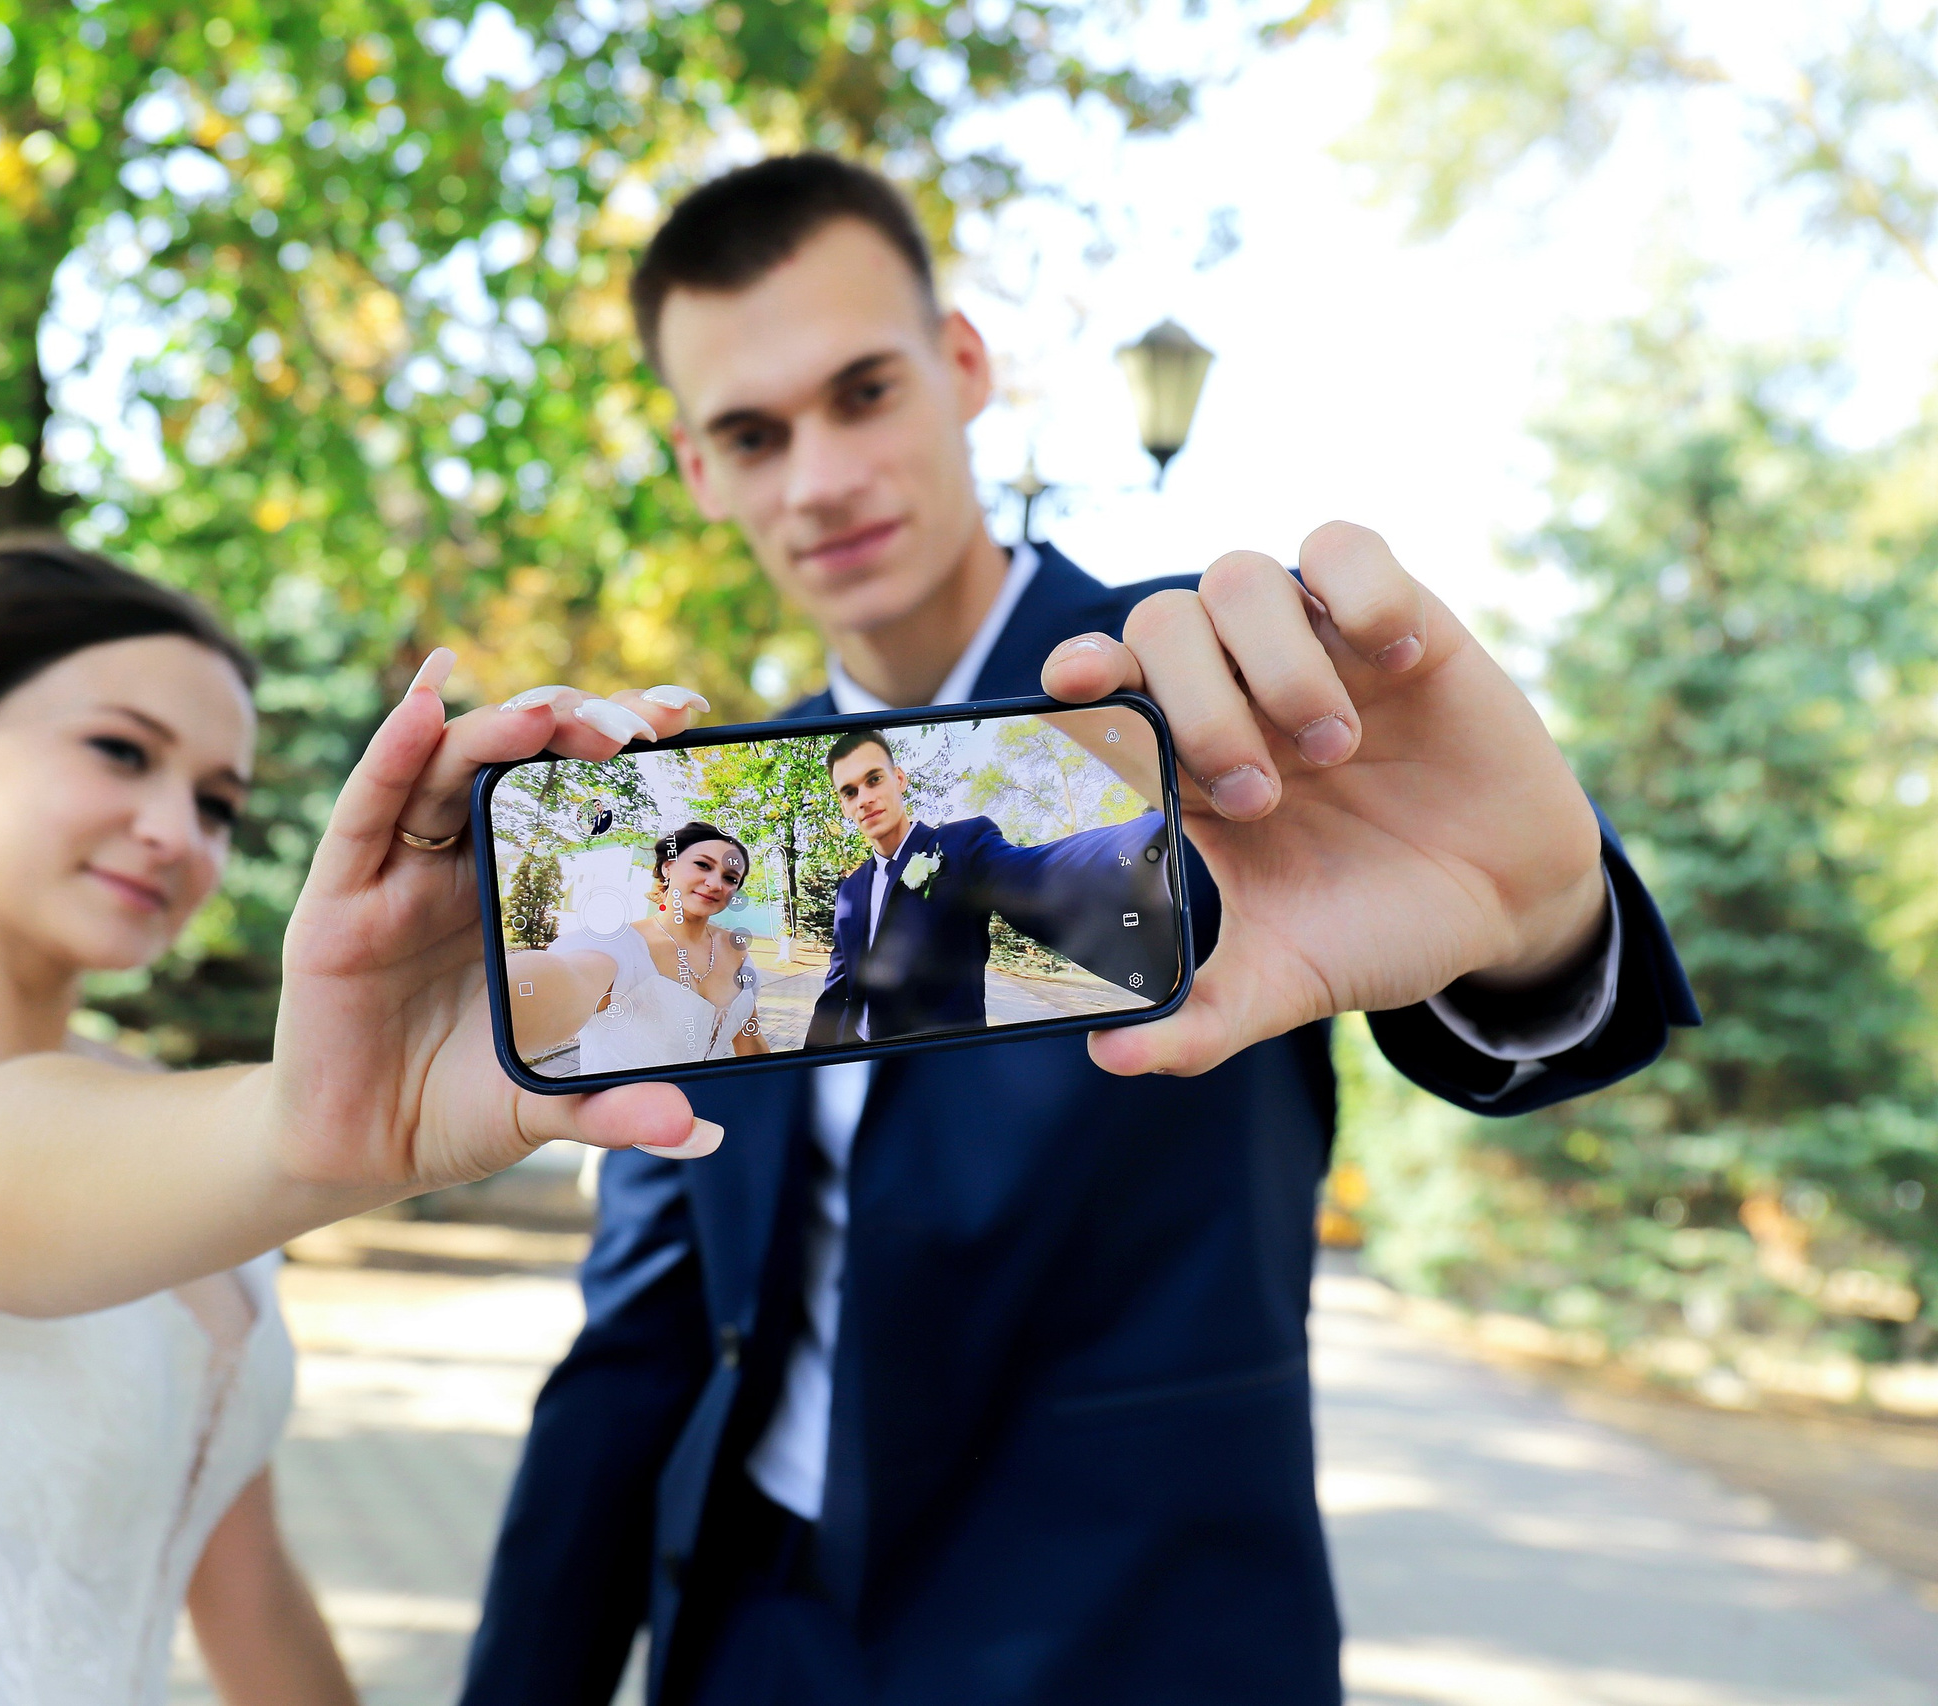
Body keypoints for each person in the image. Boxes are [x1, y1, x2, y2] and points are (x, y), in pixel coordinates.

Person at [461, 155, 1700, 1705]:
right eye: (752, 434)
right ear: (699, 471)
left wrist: (1539, 919)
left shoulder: (1206, 700)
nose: (821, 477)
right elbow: (647, 1330)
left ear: (964, 368)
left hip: (1133, 1633)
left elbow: (1502, 952)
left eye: (863, 392)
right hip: (758, 1629)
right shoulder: (721, 832)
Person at [0, 539, 721, 1705]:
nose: (176, 830)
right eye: (121, 750)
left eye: (217, 802)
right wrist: (306, 1126)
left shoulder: (160, 1113)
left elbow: (245, 1582)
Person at [804, 727, 1174, 1045]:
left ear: (899, 779)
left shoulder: (962, 844)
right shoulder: (850, 891)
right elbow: (838, 989)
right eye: (849, 792)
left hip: (946, 1071)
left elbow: (1035, 874)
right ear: (843, 805)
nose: (864, 799)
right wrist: (807, 1071)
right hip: (863, 1068)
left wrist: (1153, 847)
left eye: (874, 779)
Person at [510, 824, 772, 1074]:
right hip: (618, 1117)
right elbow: (566, 981)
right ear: (668, 867)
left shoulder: (737, 950)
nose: (716, 884)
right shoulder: (617, 946)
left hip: (711, 1117)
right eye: (703, 865)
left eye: (730, 877)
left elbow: (750, 1040)